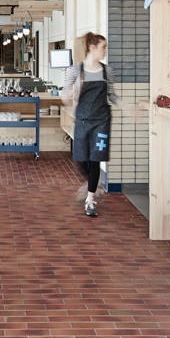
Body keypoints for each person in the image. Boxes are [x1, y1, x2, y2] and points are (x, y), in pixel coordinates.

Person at [61, 32, 123, 218]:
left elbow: (111, 95)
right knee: (80, 158)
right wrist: (71, 92)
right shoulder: (76, 70)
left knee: (95, 159)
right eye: (103, 47)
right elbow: (64, 96)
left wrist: (126, 107)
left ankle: (90, 200)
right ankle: (92, 184)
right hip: (82, 121)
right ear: (93, 48)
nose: (106, 50)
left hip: (102, 122)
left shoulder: (107, 71)